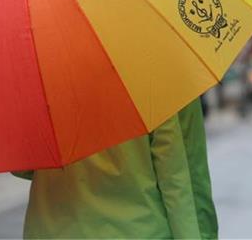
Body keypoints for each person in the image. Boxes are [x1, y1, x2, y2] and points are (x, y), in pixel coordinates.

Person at [13, 97, 218, 239]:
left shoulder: (41, 68)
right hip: (137, 230)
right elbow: (178, 179)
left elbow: (22, 164)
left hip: (52, 230)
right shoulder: (156, 75)